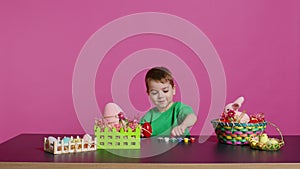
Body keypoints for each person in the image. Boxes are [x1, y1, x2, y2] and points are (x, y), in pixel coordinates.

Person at [140, 67, 197, 137]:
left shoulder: (178, 108)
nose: (160, 96)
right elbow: (138, 131)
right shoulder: (149, 116)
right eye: (154, 93)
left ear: (173, 90)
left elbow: (192, 117)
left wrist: (183, 125)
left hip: (182, 147)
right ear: (148, 94)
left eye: (165, 91)